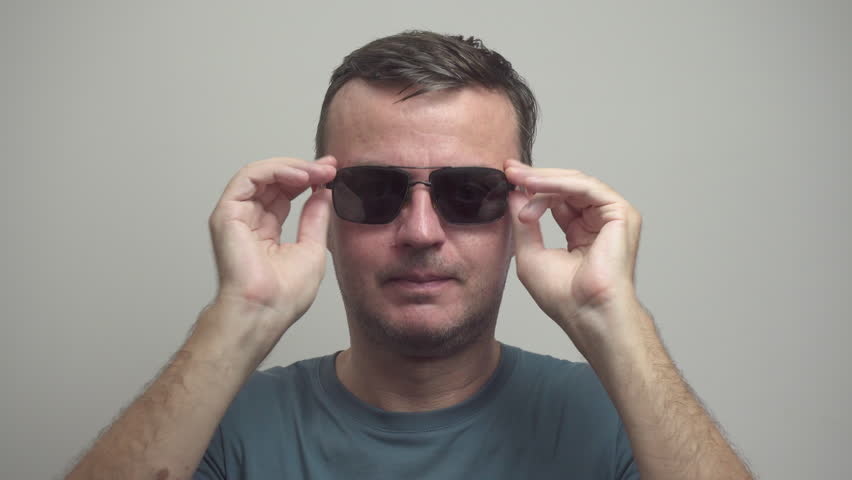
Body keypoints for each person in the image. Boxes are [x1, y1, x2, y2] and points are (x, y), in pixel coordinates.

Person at [65, 30, 753, 479]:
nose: (421, 230)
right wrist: (239, 315)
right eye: (373, 189)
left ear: (521, 212)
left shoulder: (616, 420)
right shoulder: (219, 427)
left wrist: (615, 318)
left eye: (470, 192)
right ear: (325, 210)